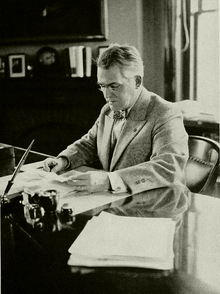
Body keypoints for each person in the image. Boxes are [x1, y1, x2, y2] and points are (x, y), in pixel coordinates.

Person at [43, 43, 189, 196]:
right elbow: (89, 144)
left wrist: (108, 180)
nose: (106, 95)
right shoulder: (108, 110)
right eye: (102, 86)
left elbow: (168, 168)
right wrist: (63, 161)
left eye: (114, 86)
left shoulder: (165, 113)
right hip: (117, 200)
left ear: (137, 81)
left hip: (156, 204)